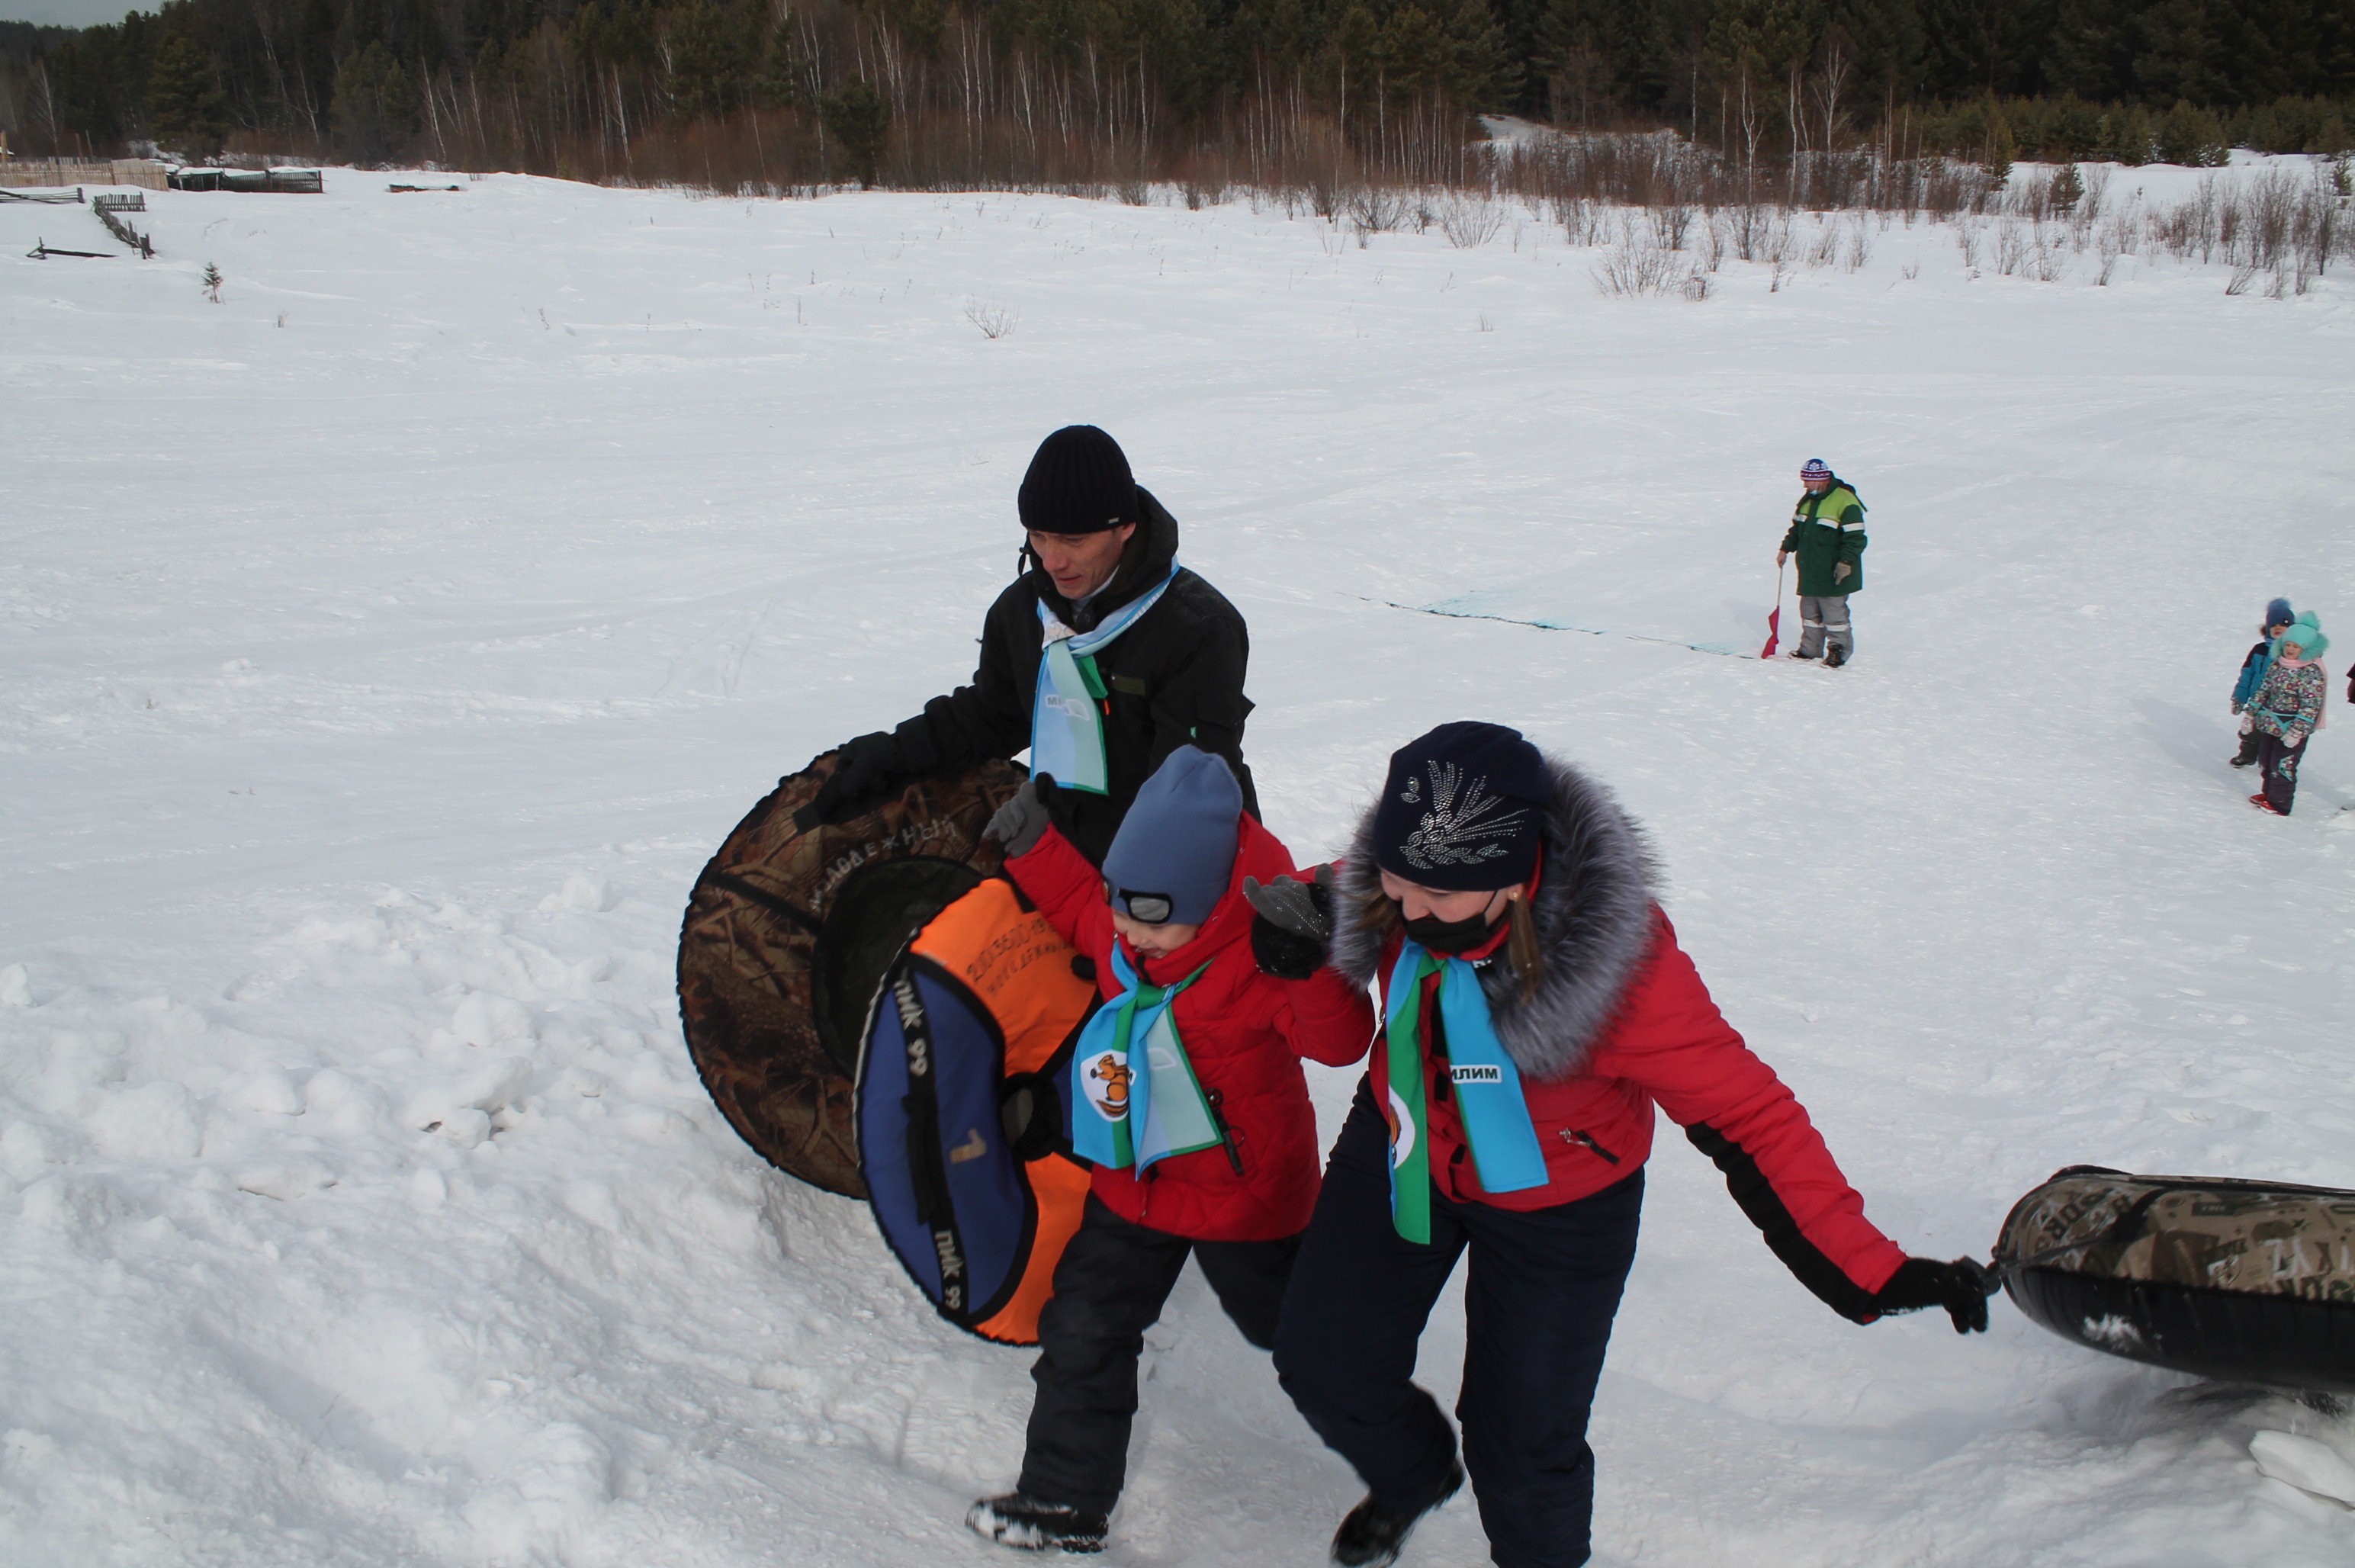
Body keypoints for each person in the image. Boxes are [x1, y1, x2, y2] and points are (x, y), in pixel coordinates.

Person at [1266, 721, 1991, 1568]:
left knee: (1522, 1446)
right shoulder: (1383, 892)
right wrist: (1299, 953)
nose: (1406, 912)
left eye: (1436, 898)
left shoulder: (1620, 970)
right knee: (1323, 1362)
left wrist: (1871, 1267)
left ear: (1508, 882)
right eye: (1390, 884)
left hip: (1563, 1202)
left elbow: (1751, 1115)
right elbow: (1318, 993)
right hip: (1405, 1144)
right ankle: (1413, 1476)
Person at [965, 747, 1374, 1554]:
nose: (1125, 931)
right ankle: (1061, 1499)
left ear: (1215, 903)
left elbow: (1339, 1043)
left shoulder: (1261, 956)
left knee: (1293, 1336)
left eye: (1149, 916)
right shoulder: (1125, 930)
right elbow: (1081, 901)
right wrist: (1034, 846)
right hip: (1136, 1174)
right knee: (1085, 1322)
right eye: (1123, 908)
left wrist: (1309, 966)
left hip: (1243, 1193)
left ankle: (1393, 1430)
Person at [798, 426, 1256, 865]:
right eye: (1039, 537)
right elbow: (993, 715)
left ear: (1126, 528)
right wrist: (889, 755)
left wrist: (1064, 831)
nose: (1053, 560)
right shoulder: (1024, 612)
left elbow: (1189, 794)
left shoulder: (1196, 629)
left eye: (1074, 540)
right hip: (1062, 852)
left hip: (1179, 880)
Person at [1776, 458, 1868, 667]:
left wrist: (1846, 562)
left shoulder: (1846, 501)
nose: (1805, 486)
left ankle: (1839, 651)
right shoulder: (1808, 500)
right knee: (1810, 613)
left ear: (1822, 479)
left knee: (1834, 615)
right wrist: (1785, 548)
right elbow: (1797, 529)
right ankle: (1810, 650)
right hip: (1810, 569)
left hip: (1834, 571)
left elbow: (1856, 538)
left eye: (1808, 481)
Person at [2245, 612, 2328, 816]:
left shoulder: (2310, 673)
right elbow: (2263, 690)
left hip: (2292, 729)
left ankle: (2281, 803)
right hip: (2270, 724)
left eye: (2296, 646)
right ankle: (2269, 794)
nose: (2291, 650)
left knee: (2283, 766)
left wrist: (2297, 731)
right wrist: (2251, 714)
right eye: (2288, 644)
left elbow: (2311, 704)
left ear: (2307, 650)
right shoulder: (2278, 665)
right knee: (2266, 761)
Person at [2230, 598, 2296, 767]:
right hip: (2257, 702)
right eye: (2274, 626)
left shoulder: (2291, 653)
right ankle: (2247, 754)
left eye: (2283, 626)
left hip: (2281, 704)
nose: (2278, 629)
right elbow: (2247, 674)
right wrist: (2240, 697)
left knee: (2275, 733)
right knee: (2251, 730)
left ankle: (2270, 760)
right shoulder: (2259, 650)